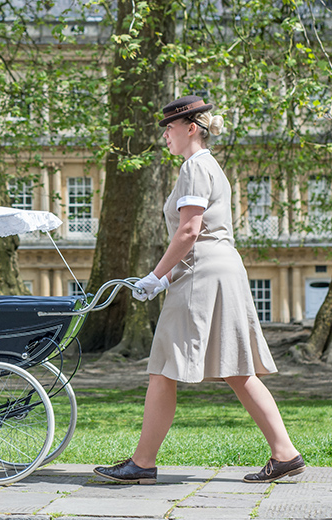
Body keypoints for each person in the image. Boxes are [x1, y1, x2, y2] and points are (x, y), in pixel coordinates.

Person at [93, 95, 304, 485]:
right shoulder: (209, 167)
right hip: (218, 268)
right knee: (237, 368)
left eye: (169, 129)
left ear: (191, 128)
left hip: (203, 274)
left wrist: (157, 275)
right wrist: (165, 277)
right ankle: (285, 453)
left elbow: (190, 231)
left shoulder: (194, 167)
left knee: (162, 368)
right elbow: (200, 235)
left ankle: (142, 463)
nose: (165, 138)